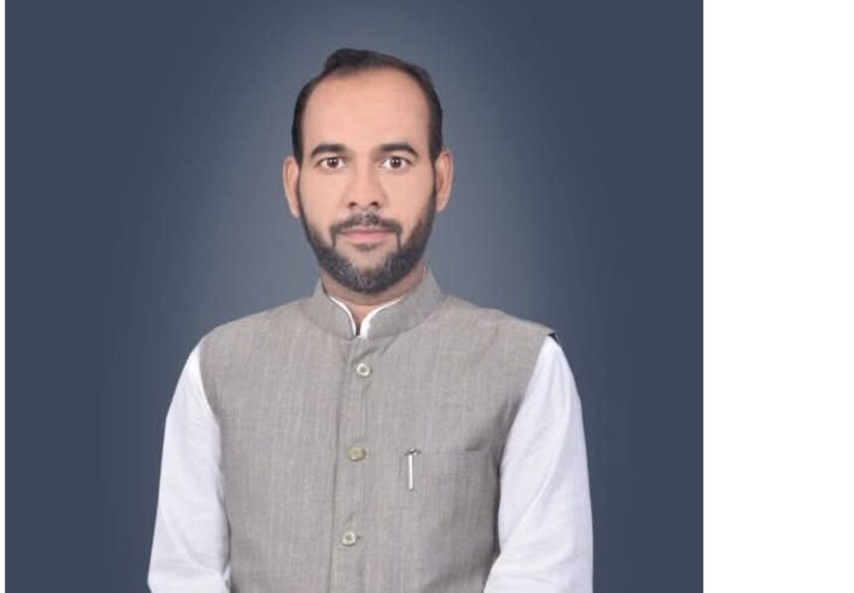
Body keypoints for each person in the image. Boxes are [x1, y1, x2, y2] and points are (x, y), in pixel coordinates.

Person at [147, 48, 593, 592]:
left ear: (441, 180)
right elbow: (184, 577)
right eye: (333, 162)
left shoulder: (525, 366)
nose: (364, 195)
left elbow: (545, 579)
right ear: (293, 185)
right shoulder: (217, 367)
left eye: (395, 161)